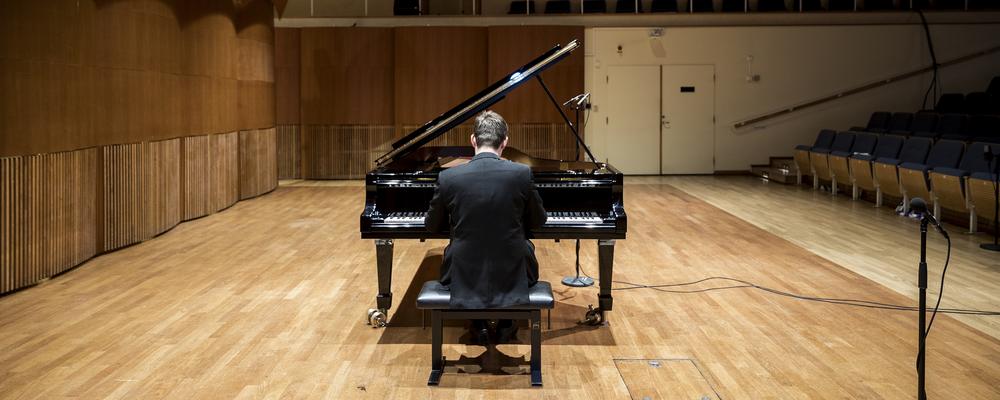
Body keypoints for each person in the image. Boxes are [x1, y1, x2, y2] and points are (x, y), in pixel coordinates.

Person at [425, 110, 547, 345]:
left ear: (473, 140)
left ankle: (477, 324)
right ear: (505, 142)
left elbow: (431, 226)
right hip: (515, 271)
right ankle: (506, 324)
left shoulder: (449, 178)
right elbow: (539, 221)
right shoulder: (522, 174)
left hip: (461, 272)